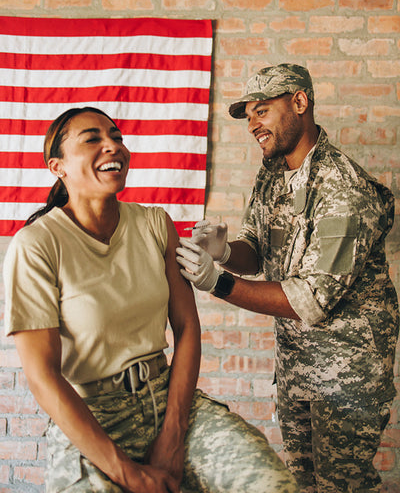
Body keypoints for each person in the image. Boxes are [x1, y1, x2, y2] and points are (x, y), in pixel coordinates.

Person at [3, 106, 298, 493]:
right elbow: (43, 377)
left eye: (117, 137)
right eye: (93, 139)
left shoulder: (155, 224)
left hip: (169, 400)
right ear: (57, 166)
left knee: (273, 485)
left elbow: (187, 327)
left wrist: (173, 436)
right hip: (92, 417)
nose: (113, 146)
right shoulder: (37, 245)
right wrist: (132, 475)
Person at [176, 64, 399, 493]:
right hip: (298, 368)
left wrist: (217, 283)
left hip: (346, 376)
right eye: (248, 116)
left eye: (262, 110)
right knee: (301, 484)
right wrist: (225, 252)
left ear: (300, 102)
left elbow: (308, 299)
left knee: (342, 487)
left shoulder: (342, 187)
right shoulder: (273, 172)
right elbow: (255, 249)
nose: (253, 124)